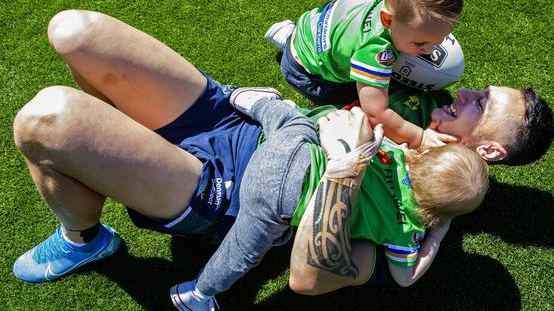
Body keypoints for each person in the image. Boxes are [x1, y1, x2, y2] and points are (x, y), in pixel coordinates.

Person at [11, 10, 554, 306]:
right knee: (74, 30)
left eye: (480, 104)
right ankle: (117, 152)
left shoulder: (429, 202)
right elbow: (359, 43)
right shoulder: (419, 99)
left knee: (48, 118)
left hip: (223, 190)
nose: (465, 94)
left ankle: (85, 238)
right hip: (241, 117)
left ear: (486, 150)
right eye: (477, 89)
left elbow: (311, 279)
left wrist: (344, 169)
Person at [170, 97, 490, 310]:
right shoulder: (408, 229)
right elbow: (405, 277)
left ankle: (253, 101)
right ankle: (197, 294)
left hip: (293, 150)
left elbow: (367, 128)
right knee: (243, 251)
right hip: (281, 198)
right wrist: (437, 235)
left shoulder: (397, 154)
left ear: (423, 155)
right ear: (439, 213)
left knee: (294, 120)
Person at [265, 0, 464, 149]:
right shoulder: (375, 51)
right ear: (387, 20)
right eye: (420, 44)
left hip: (309, 25)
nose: (428, 50)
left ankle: (288, 36)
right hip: (307, 74)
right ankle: (292, 99)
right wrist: (419, 138)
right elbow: (376, 114)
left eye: (438, 42)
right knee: (357, 107)